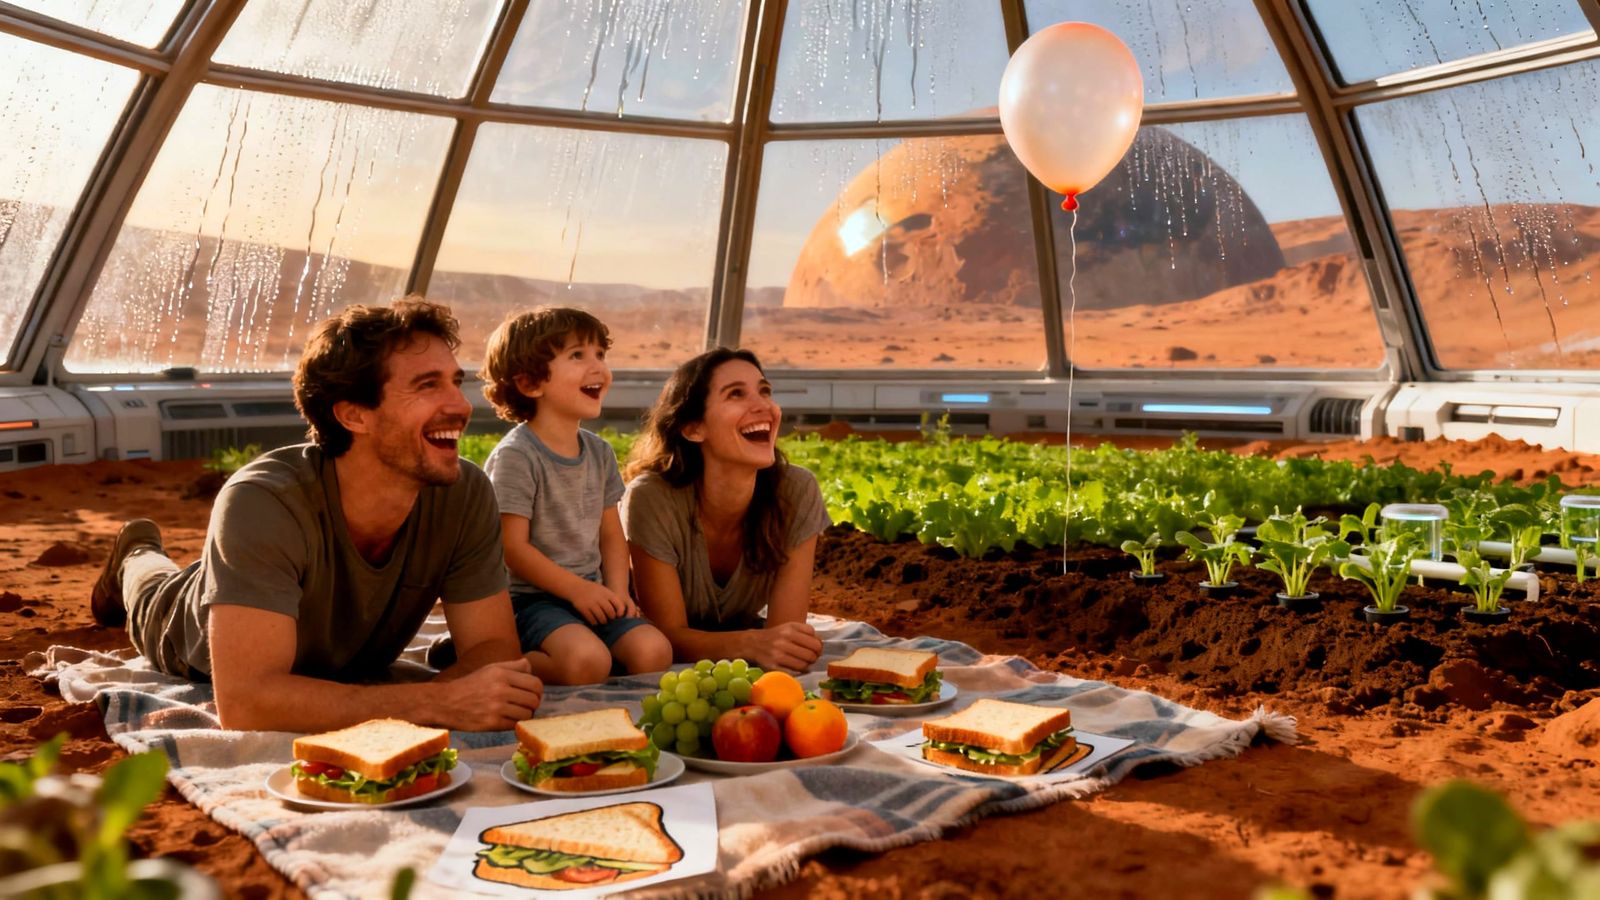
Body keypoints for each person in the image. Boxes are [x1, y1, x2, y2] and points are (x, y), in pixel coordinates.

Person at [88, 298, 544, 733]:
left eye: (455, 382)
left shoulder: (464, 493)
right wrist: (435, 703)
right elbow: (246, 703)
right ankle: (135, 555)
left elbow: (493, 648)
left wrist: (453, 696)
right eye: (427, 385)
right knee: (150, 588)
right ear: (353, 415)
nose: (461, 405)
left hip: (277, 594)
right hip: (183, 631)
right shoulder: (263, 500)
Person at [474, 308, 672, 684]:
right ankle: (492, 657)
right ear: (530, 383)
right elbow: (512, 548)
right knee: (587, 664)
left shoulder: (599, 452)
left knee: (654, 653)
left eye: (600, 354)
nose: (598, 367)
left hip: (591, 594)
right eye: (578, 355)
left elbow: (611, 535)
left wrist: (617, 591)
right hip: (530, 601)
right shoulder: (517, 455)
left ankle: (588, 648)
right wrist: (577, 590)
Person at [622, 348, 829, 672]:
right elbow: (667, 636)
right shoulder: (651, 498)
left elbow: (783, 636)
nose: (764, 406)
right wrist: (751, 643)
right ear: (693, 428)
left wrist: (774, 644)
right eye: (736, 394)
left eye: (764, 391)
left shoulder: (796, 491)